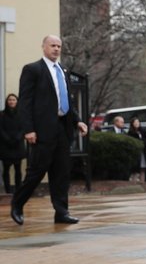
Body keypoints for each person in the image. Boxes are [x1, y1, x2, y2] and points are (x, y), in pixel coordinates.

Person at [10, 35, 88, 225]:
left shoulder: (63, 70)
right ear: (43, 47)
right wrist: (28, 129)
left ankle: (61, 212)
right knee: (37, 171)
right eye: (52, 45)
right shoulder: (32, 69)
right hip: (42, 130)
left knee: (61, 173)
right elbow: (25, 103)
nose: (56, 49)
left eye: (59, 46)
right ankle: (17, 205)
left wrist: (77, 121)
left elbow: (67, 101)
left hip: (63, 128)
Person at [0, 94, 25, 194]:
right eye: (9, 100)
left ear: (17, 101)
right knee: (6, 170)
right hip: (5, 145)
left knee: (18, 169)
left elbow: (23, 127)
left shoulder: (21, 114)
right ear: (7, 102)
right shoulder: (1, 114)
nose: (11, 102)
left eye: (13, 100)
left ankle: (18, 189)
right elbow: (0, 129)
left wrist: (18, 138)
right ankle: (8, 190)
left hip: (17, 145)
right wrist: (7, 139)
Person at [126, 116, 146, 182]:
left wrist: (144, 143)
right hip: (136, 153)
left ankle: (142, 182)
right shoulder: (130, 133)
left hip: (143, 151)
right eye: (135, 122)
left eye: (138, 122)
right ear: (132, 124)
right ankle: (134, 183)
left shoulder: (143, 131)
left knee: (143, 169)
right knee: (135, 170)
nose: (137, 123)